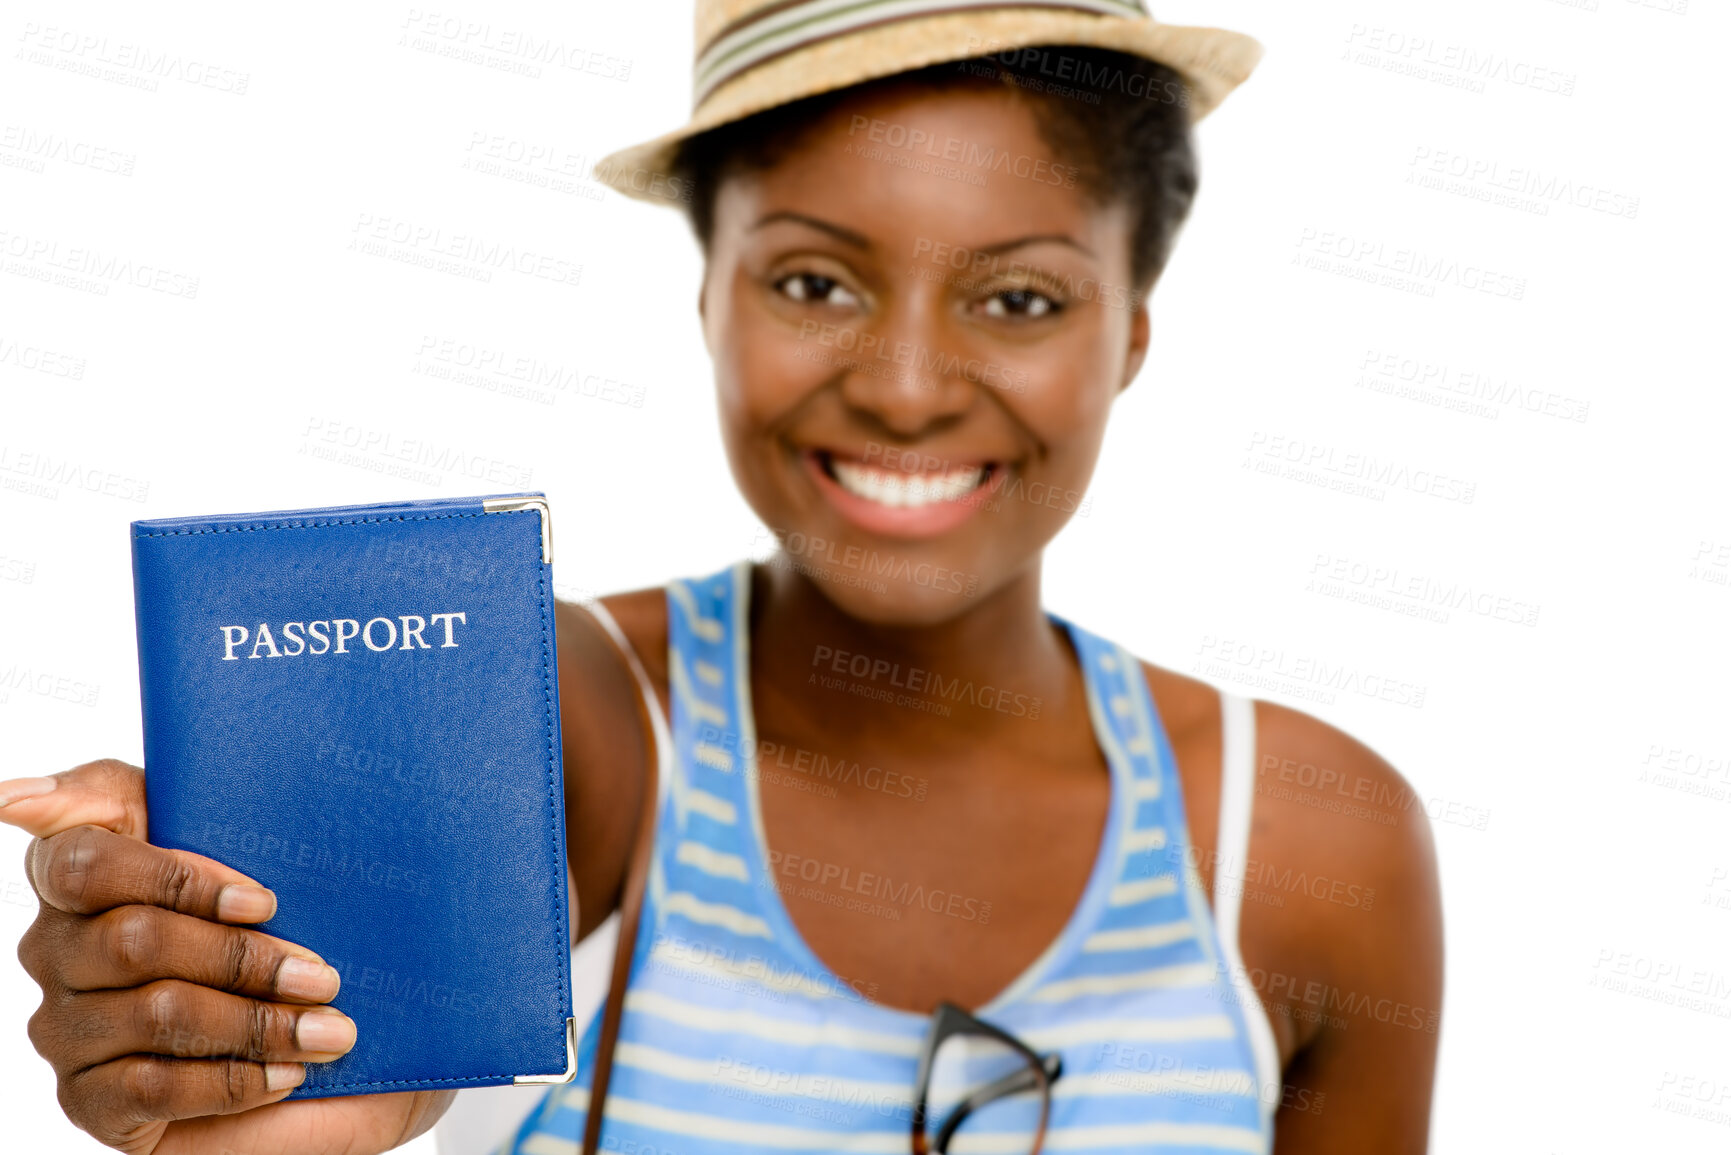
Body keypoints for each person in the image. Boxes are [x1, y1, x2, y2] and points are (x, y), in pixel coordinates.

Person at [2, 2, 1444, 1152]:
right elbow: (358, 854)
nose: (905, 388)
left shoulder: (1314, 852)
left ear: (1130, 329)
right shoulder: (559, 717)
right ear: (710, 296)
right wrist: (224, 996)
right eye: (816, 282)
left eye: (1018, 298)